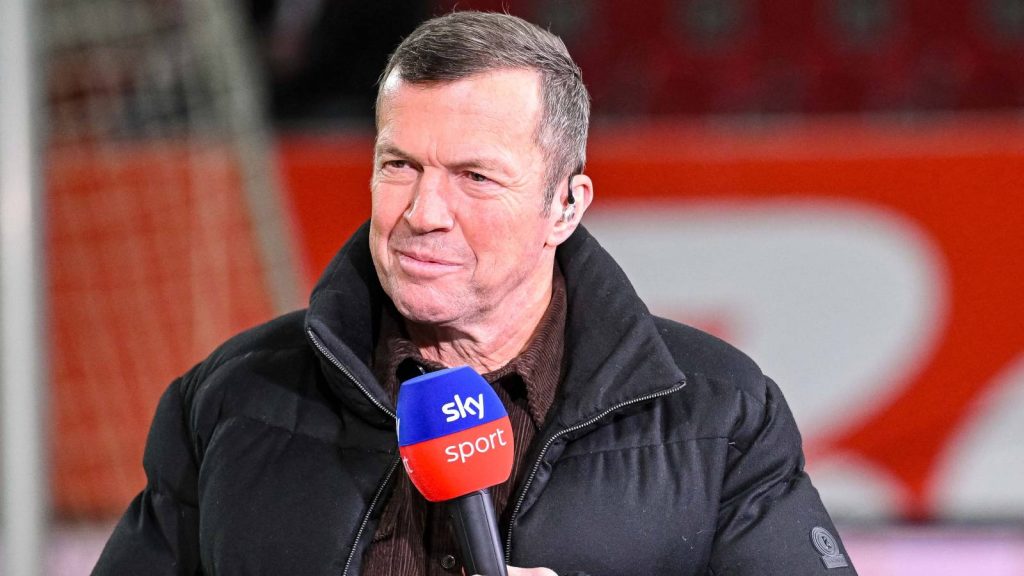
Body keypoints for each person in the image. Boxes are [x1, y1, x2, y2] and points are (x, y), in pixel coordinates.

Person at [94, 11, 856, 576]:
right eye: (399, 166)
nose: (423, 213)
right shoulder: (228, 399)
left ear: (567, 204)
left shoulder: (721, 414)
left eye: (474, 177)